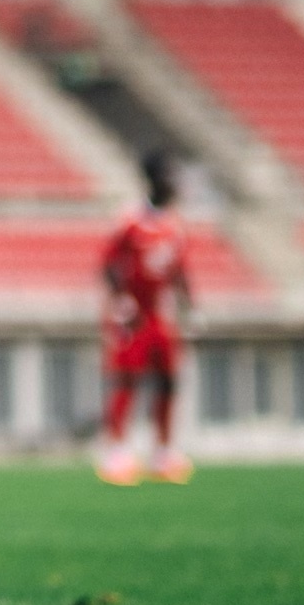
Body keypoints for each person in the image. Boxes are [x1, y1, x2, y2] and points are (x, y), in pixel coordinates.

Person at [97, 156, 196, 485]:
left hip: (160, 313)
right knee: (126, 381)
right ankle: (116, 452)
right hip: (132, 314)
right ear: (155, 180)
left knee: (167, 382)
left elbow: (180, 270)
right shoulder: (130, 221)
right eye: (171, 178)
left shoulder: (174, 225)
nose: (176, 186)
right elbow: (109, 264)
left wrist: (189, 306)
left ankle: (163, 452)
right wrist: (118, 301)